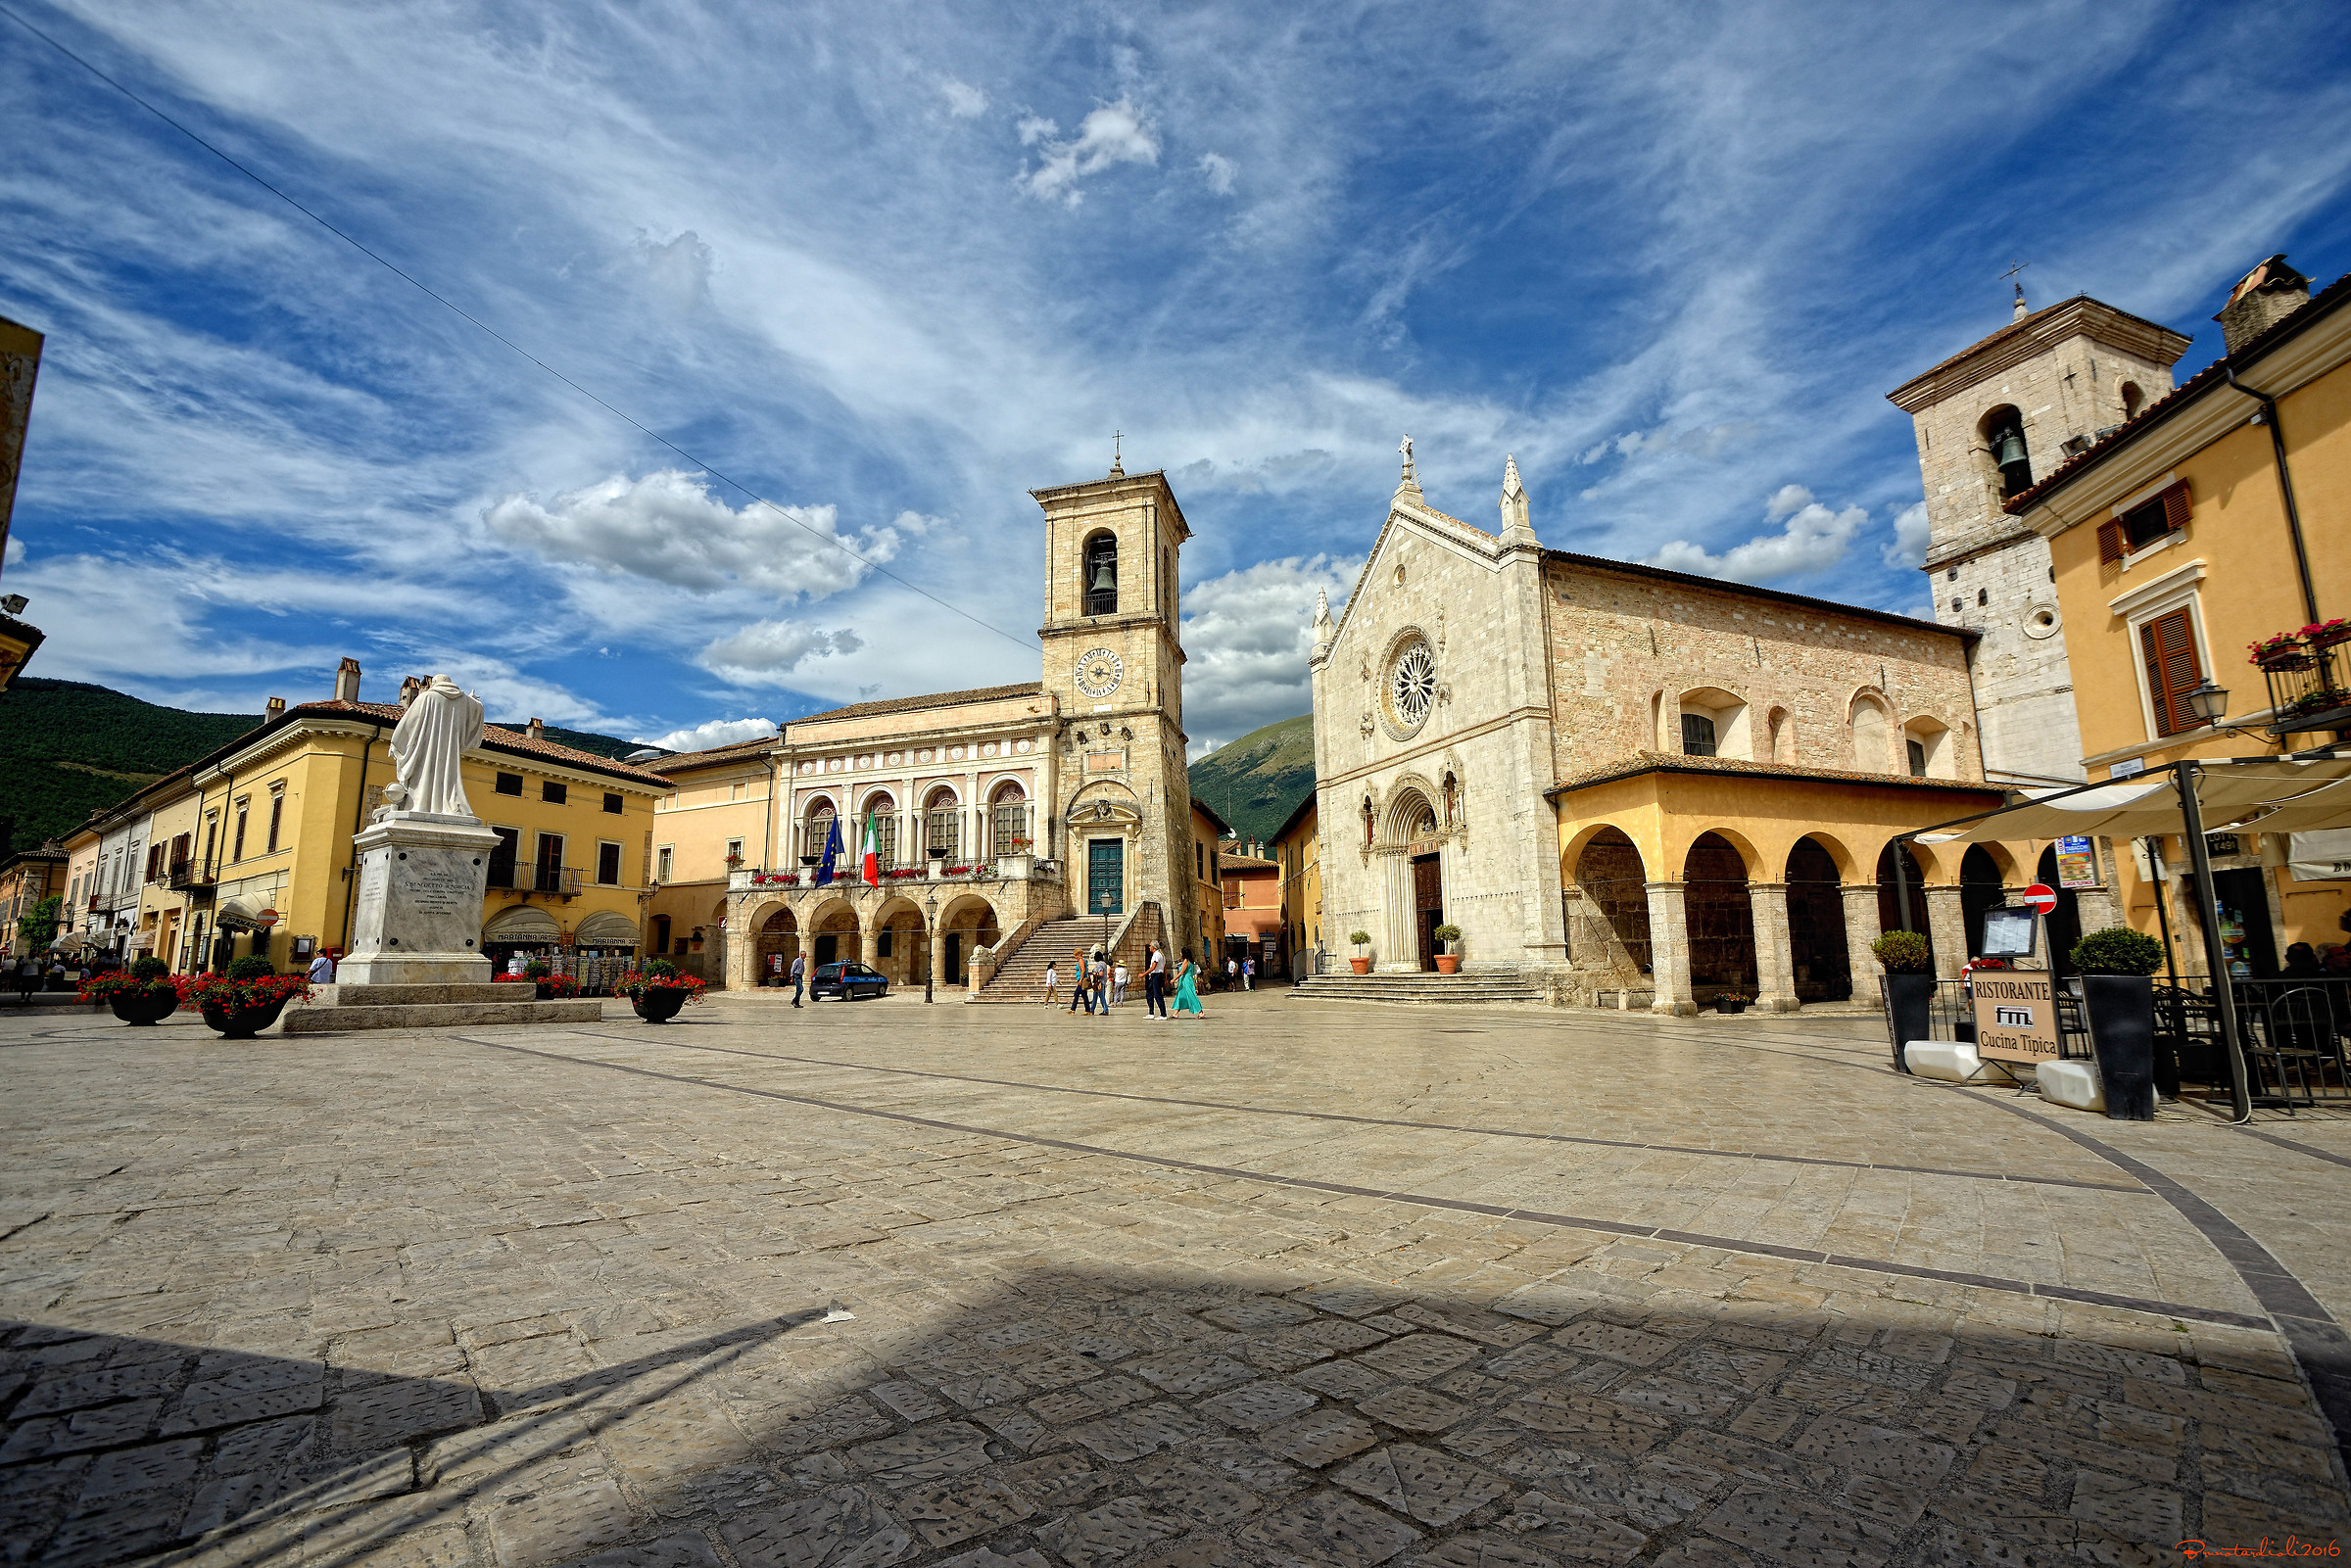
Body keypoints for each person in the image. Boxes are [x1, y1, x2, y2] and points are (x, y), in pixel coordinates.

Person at [1143, 942, 1168, 1020]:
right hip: (1156, 975)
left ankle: (1163, 1014)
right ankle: (1151, 1013)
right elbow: (1164, 968)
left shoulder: (1157, 955)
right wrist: (1165, 978)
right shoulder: (1161, 955)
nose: (1149, 947)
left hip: (1156, 975)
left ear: (1153, 947)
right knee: (1149, 994)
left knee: (1157, 995)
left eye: (1150, 946)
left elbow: (1153, 967)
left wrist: (1144, 974)